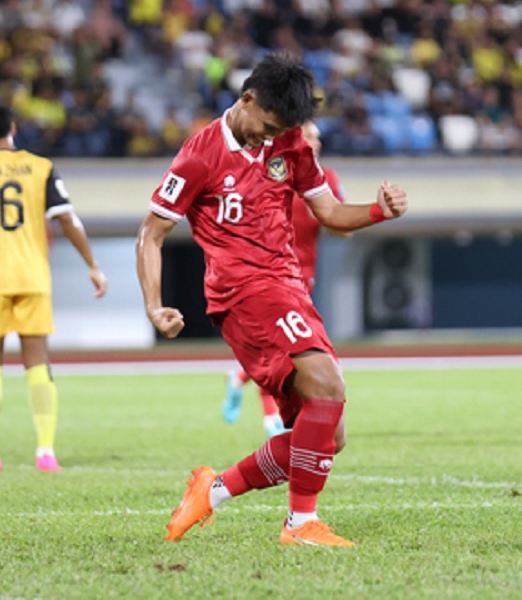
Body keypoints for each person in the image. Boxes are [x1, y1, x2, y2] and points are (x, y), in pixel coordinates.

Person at [136, 53, 408, 547]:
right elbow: (150, 234)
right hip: (242, 292)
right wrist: (154, 305)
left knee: (329, 433)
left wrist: (377, 211)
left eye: (281, 129)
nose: (271, 136)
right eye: (267, 124)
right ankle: (300, 524)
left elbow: (328, 212)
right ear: (247, 99)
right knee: (327, 383)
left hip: (288, 289)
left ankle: (211, 491)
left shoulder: (291, 143)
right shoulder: (199, 154)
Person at [0, 103, 108, 473]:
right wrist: (93, 265)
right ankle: (45, 452)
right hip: (32, 276)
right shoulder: (41, 167)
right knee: (38, 365)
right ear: (13, 127)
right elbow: (66, 217)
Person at [222, 120, 348, 439]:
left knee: (284, 351)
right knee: (282, 351)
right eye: (308, 136)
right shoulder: (269, 174)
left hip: (304, 276)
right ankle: (272, 421)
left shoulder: (327, 180)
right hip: (268, 277)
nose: (314, 143)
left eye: (317, 137)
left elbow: (341, 226)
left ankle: (239, 379)